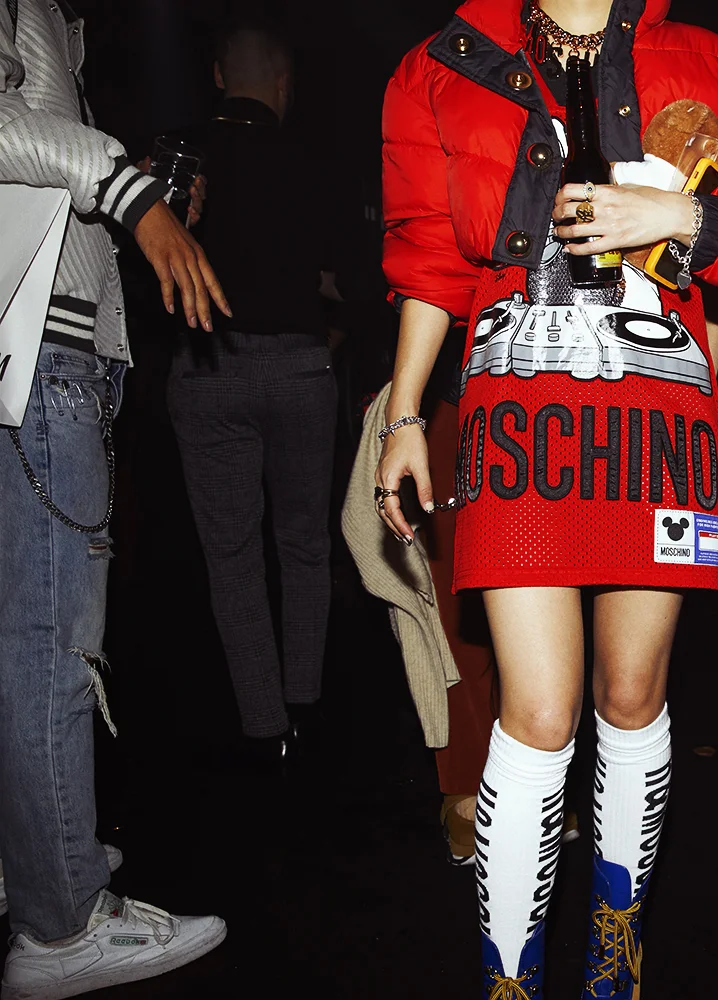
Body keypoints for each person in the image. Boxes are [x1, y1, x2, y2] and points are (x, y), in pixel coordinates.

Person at [376, 0, 718, 993]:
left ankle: (613, 962)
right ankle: (510, 978)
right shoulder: (438, 66)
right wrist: (404, 414)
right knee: (539, 709)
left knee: (632, 694)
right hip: (518, 408)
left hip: (660, 410)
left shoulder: (704, 60)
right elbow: (428, 256)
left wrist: (682, 218)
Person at [1, 1, 230, 995]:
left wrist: (133, 190)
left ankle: (37, 860)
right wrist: (130, 192)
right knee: (50, 649)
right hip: (40, 355)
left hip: (45, 355)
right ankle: (60, 929)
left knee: (22, 644)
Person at [163, 25, 341, 763]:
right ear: (284, 83)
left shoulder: (179, 156)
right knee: (305, 546)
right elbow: (343, 277)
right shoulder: (314, 159)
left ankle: (266, 728)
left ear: (216, 74)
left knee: (231, 555)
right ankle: (307, 703)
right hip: (300, 369)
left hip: (208, 366)